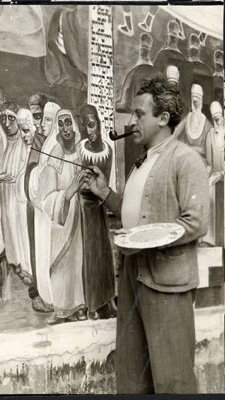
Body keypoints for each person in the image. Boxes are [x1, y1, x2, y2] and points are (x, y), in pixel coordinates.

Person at [82, 78, 209, 394]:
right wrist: (104, 192)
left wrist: (148, 239)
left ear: (163, 118)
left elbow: (196, 223)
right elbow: (135, 213)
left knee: (172, 381)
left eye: (139, 114)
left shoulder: (185, 159)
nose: (131, 121)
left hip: (166, 280)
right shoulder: (141, 163)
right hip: (131, 276)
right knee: (132, 377)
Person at [39, 109, 87, 325]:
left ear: (74, 125)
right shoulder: (54, 156)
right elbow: (47, 198)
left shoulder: (83, 151)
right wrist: (68, 193)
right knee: (61, 265)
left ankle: (80, 306)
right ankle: (62, 310)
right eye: (61, 124)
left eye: (68, 122)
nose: (65, 128)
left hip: (83, 218)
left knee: (80, 263)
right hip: (62, 221)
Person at [77, 104, 116, 319]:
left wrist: (99, 188)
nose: (89, 131)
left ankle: (107, 299)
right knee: (89, 256)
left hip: (99, 206)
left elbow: (105, 181)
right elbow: (79, 182)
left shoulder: (108, 150)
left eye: (92, 125)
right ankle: (92, 304)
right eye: (85, 127)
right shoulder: (81, 148)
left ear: (99, 125)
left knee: (104, 255)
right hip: (84, 208)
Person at [23, 102, 60, 312]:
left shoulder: (54, 144)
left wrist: (36, 175)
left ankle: (51, 298)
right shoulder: (45, 144)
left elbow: (48, 179)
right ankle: (46, 296)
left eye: (48, 119)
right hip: (40, 211)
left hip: (48, 212)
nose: (43, 125)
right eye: (42, 119)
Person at [0, 103, 32, 285]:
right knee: (8, 225)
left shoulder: (24, 143)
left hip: (19, 197)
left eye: (11, 118)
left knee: (20, 226)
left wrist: (14, 178)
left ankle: (26, 266)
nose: (7, 123)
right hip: (4, 193)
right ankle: (14, 261)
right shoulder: (4, 143)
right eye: (3, 119)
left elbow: (25, 169)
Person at [175, 83, 212, 169]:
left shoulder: (208, 126)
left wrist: (186, 147)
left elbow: (206, 151)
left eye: (197, 99)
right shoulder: (187, 119)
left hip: (200, 165)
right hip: (185, 161)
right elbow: (174, 135)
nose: (195, 102)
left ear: (201, 100)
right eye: (193, 99)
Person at [203, 101, 224, 246]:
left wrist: (222, 174)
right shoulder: (209, 136)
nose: (217, 121)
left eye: (219, 117)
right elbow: (209, 164)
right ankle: (210, 239)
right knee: (208, 192)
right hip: (216, 178)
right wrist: (205, 177)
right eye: (214, 118)